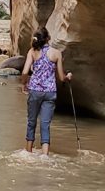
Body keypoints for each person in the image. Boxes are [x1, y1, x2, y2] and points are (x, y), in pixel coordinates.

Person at [20, 26, 72, 156]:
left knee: (31, 122)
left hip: (35, 91)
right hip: (50, 93)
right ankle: (45, 156)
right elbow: (61, 77)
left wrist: (24, 83)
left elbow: (25, 72)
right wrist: (68, 77)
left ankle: (28, 152)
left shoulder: (32, 52)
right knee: (45, 124)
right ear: (48, 38)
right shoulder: (57, 53)